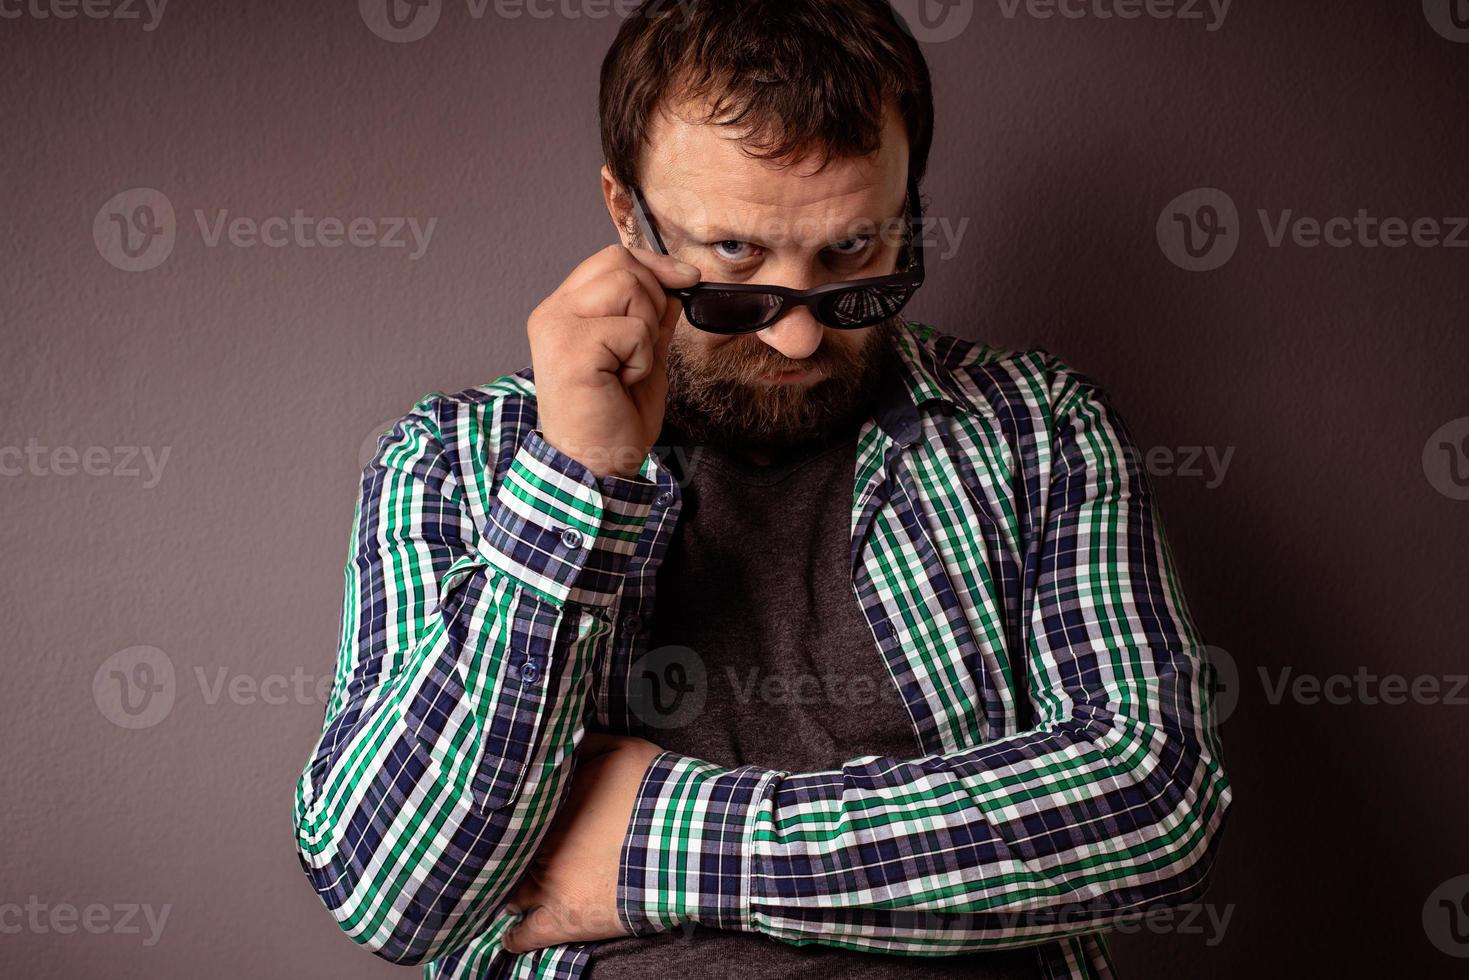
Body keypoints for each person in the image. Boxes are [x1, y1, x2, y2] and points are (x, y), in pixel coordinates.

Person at [291, 2, 1232, 977]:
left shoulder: (1037, 429)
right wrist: (574, 477)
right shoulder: (452, 460)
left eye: (851, 256)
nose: (796, 336)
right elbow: (388, 889)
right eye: (736, 259)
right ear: (627, 215)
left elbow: (1152, 800)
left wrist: (668, 842)